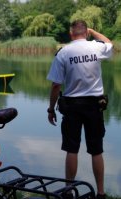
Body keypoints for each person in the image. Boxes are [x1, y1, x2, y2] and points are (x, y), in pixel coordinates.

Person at [46, 20, 113, 199]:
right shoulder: (95, 47)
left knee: (72, 149)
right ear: (86, 32)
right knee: (96, 150)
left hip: (72, 106)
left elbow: (55, 86)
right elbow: (109, 43)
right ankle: (100, 193)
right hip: (94, 105)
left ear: (70, 34)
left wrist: (51, 109)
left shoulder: (63, 53)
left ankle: (68, 191)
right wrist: (93, 31)